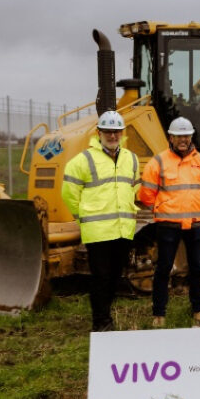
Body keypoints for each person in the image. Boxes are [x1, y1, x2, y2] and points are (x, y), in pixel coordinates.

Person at [61, 110, 139, 331]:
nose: (112, 136)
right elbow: (69, 193)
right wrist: (83, 217)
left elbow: (134, 187)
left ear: (122, 133)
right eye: (108, 132)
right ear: (99, 133)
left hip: (123, 230)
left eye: (116, 132)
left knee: (115, 277)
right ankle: (101, 322)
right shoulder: (83, 161)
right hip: (98, 231)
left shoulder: (130, 159)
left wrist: (132, 207)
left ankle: (105, 315)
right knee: (101, 278)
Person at [138, 116, 200, 328]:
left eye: (186, 135)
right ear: (170, 138)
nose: (183, 139)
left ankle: (199, 311)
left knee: (197, 269)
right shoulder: (159, 162)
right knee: (163, 269)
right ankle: (159, 314)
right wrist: (163, 208)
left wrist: (195, 205)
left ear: (191, 136)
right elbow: (146, 194)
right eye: (178, 136)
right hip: (168, 225)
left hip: (196, 224)